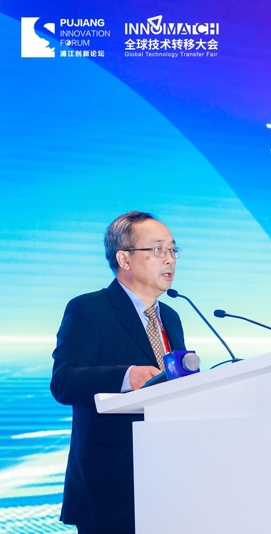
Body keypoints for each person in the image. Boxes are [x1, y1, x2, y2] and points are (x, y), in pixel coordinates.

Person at [51, 211, 186, 534]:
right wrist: (127, 377)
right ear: (124, 258)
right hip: (111, 489)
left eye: (173, 249)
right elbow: (65, 381)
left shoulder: (171, 316)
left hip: (170, 481)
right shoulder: (89, 309)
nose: (169, 259)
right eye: (158, 249)